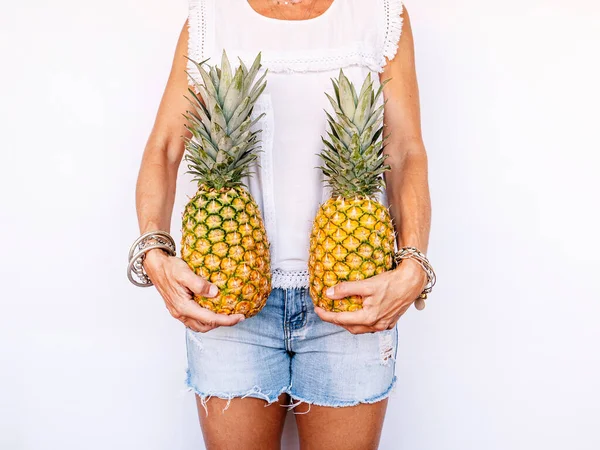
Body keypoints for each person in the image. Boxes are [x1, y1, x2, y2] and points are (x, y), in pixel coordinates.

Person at [132, 0, 432, 448]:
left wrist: (414, 265)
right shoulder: (211, 17)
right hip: (224, 293)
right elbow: (166, 146)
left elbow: (404, 150)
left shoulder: (379, 14)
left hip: (355, 290)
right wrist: (152, 251)